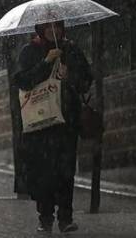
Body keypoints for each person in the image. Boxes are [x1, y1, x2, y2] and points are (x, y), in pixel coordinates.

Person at [14, 21, 93, 234]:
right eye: (48, 26)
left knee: (66, 172)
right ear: (40, 29)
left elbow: (86, 80)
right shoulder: (29, 51)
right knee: (43, 173)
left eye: (57, 25)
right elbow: (22, 81)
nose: (53, 30)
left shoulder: (71, 49)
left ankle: (66, 218)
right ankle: (45, 217)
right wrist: (46, 63)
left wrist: (71, 76)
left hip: (66, 123)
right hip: (40, 125)